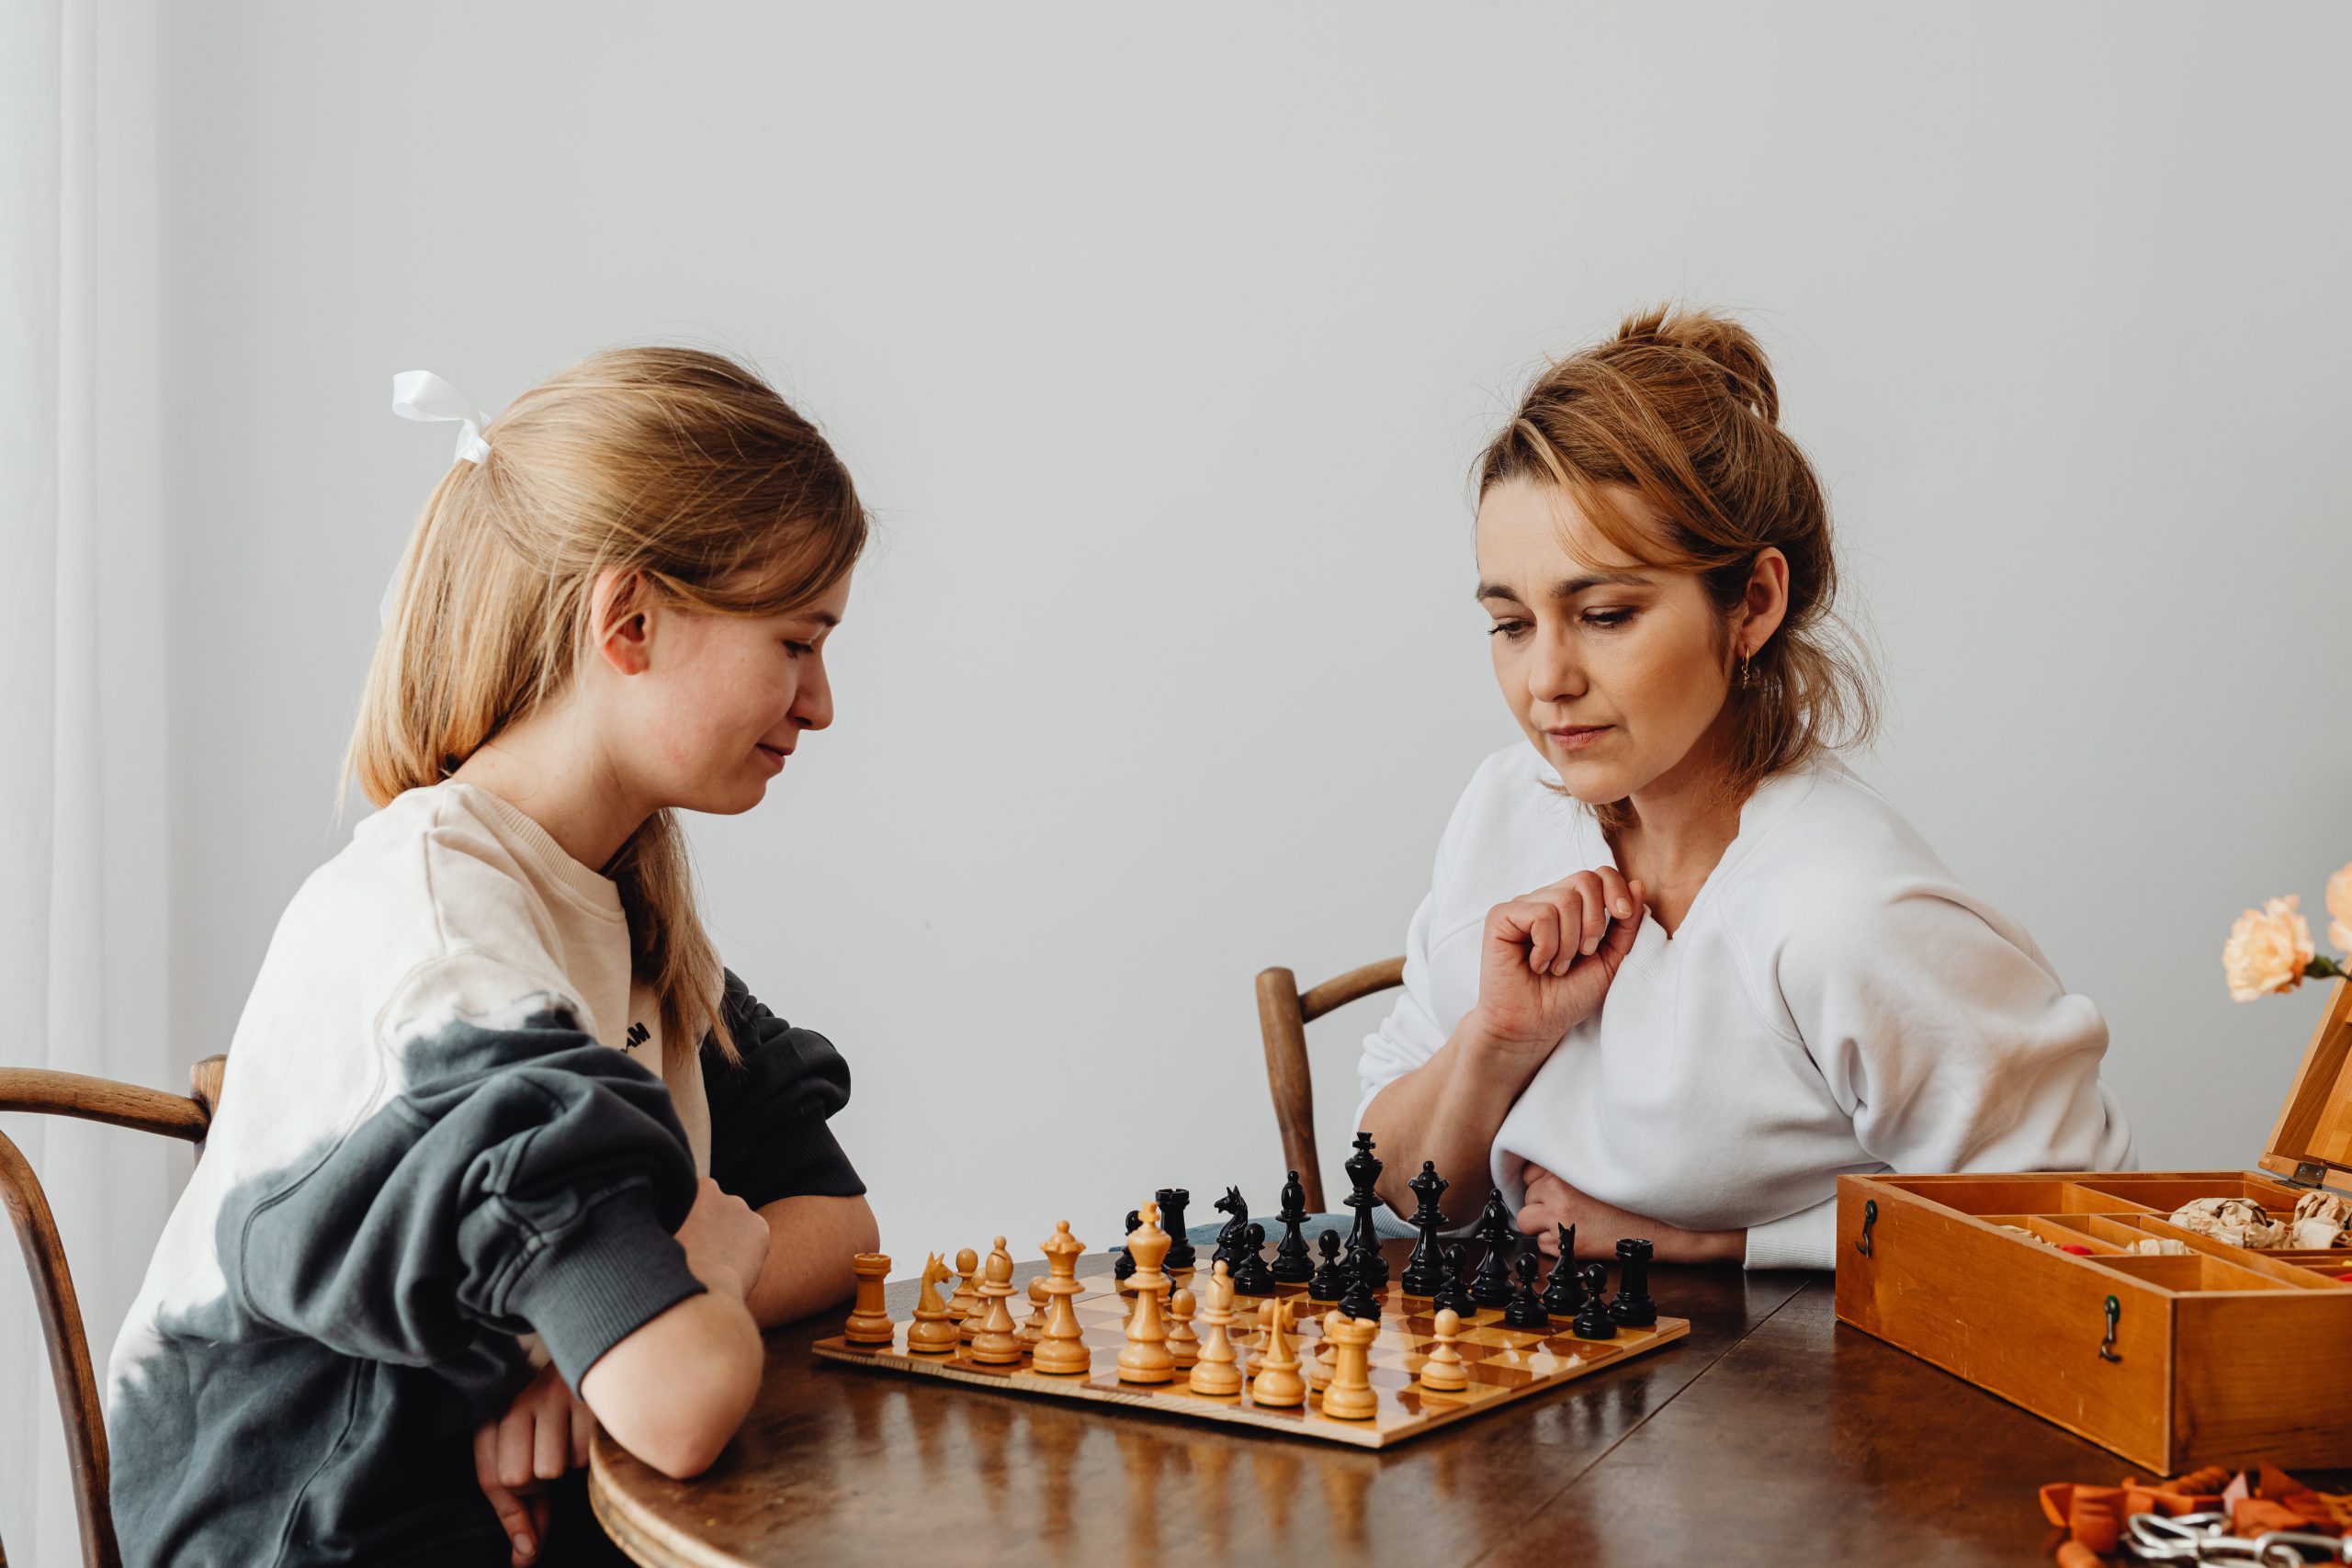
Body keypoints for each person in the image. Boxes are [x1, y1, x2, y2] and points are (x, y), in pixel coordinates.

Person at [106, 348, 877, 1567]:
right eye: (795, 639)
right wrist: (697, 1281)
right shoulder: (452, 960)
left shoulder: (607, 902)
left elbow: (838, 1220)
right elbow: (677, 1403)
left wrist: (610, 1341)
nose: (822, 699)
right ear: (628, 620)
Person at [1355, 306, 2133, 1271]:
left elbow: (2067, 1220)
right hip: (1520, 1372)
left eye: (1602, 614)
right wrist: (1497, 1041)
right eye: (1510, 624)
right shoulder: (1507, 803)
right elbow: (1391, 1179)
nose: (1544, 680)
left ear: (1753, 603)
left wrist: (1716, 1242)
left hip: (1773, 1402)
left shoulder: (1845, 916)